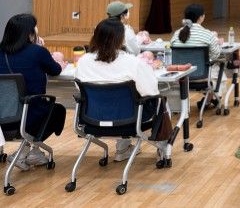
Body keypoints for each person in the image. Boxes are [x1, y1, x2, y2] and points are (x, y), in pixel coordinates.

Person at [75, 18, 161, 162]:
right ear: (121, 39)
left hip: (93, 118)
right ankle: (163, 149)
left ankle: (124, 148)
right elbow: (151, 91)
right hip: (129, 119)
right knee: (160, 102)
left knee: (120, 102)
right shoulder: (133, 62)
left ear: (95, 37)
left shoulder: (83, 61)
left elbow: (79, 88)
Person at [0, 14, 66, 170]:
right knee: (57, 111)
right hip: (29, 114)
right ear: (30, 33)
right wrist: (42, 49)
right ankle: (27, 151)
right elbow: (55, 70)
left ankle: (32, 152)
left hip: (3, 117)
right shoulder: (37, 51)